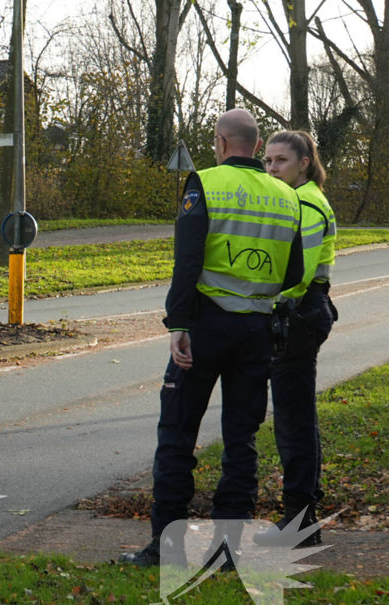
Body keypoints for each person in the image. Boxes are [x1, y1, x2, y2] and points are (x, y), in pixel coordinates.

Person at [120, 109, 305, 567]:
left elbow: (187, 259)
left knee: (177, 434)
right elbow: (294, 272)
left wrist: (178, 324)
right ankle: (227, 551)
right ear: (257, 146)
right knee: (241, 440)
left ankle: (168, 548)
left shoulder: (205, 183)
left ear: (221, 142)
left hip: (205, 326)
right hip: (256, 330)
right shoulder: (287, 195)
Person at [253, 131, 337, 548]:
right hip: (300, 311)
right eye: (267, 161)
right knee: (295, 416)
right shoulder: (298, 199)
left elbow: (299, 273)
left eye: (281, 161)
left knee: (294, 420)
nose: (271, 168)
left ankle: (301, 521)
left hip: (298, 312)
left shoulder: (305, 202)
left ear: (304, 163)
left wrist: (263, 303)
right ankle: (302, 518)